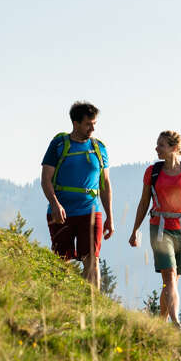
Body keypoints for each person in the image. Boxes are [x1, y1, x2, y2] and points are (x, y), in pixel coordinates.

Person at [129, 131, 181, 329]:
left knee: (172, 280)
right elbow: (143, 202)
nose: (156, 148)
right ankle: (176, 321)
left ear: (174, 148)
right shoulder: (153, 172)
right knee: (169, 276)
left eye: (161, 145)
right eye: (157, 145)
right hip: (159, 228)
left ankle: (161, 322)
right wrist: (135, 230)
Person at [41, 102, 113, 288]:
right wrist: (55, 205)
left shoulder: (99, 148)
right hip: (61, 212)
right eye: (88, 124)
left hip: (91, 211)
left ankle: (92, 307)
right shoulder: (59, 144)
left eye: (94, 123)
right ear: (75, 123)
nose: (93, 128)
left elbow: (104, 185)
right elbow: (45, 179)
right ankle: (60, 301)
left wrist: (109, 217)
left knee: (92, 260)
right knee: (61, 260)